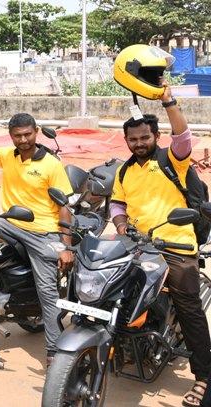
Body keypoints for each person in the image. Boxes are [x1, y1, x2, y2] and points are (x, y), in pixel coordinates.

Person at [110, 80, 211, 407]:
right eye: (133, 139)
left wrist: (168, 101)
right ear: (126, 141)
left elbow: (183, 136)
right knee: (110, 290)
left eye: (145, 137)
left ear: (156, 136)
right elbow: (117, 203)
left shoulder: (172, 159)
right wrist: (121, 225)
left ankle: (204, 378)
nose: (139, 143)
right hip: (140, 246)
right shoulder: (124, 171)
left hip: (176, 246)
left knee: (189, 308)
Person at [0, 109, 74, 368]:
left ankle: (54, 351)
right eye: (17, 136)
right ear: (10, 136)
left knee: (47, 292)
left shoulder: (51, 165)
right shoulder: (7, 155)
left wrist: (65, 246)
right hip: (9, 223)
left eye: (27, 134)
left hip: (42, 231)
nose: (23, 140)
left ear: (36, 132)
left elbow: (64, 207)